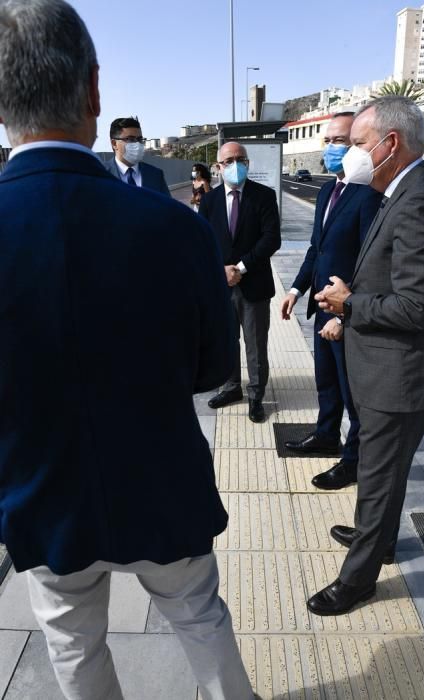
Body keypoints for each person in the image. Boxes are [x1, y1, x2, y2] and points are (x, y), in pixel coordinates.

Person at [0, 2, 256, 698]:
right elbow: (210, 368)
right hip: (162, 485)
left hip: (41, 495)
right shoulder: (173, 228)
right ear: (92, 91)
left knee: (73, 644)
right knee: (200, 617)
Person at [307, 96, 424, 617]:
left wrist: (350, 304)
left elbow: (417, 307)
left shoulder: (423, 201)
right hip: (382, 365)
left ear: (389, 143)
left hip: (399, 377)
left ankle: (357, 581)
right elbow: (386, 278)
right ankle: (375, 538)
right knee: (385, 474)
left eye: (356, 144)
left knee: (378, 477)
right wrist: (346, 311)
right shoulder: (398, 191)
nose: (348, 154)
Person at [281, 113, 382, 489]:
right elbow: (316, 249)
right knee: (326, 382)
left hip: (345, 315)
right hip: (321, 308)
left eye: (343, 140)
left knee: (351, 393)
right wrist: (295, 290)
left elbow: (370, 262)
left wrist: (344, 315)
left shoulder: (368, 194)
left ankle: (352, 461)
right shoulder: (327, 190)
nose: (333, 148)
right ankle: (325, 435)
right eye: (329, 141)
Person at [199, 142, 281, 423]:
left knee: (255, 344)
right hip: (221, 286)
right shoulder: (209, 201)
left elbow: (272, 239)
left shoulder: (264, 196)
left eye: (240, 159)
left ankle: (256, 395)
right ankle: (231, 388)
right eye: (228, 161)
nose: (235, 165)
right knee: (226, 340)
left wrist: (241, 267)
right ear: (218, 167)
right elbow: (203, 241)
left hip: (254, 284)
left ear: (248, 162)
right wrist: (220, 271)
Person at [105, 116, 171, 196]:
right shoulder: (100, 174)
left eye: (140, 139)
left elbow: (167, 207)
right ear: (114, 144)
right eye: (130, 139)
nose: (137, 144)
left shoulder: (155, 174)